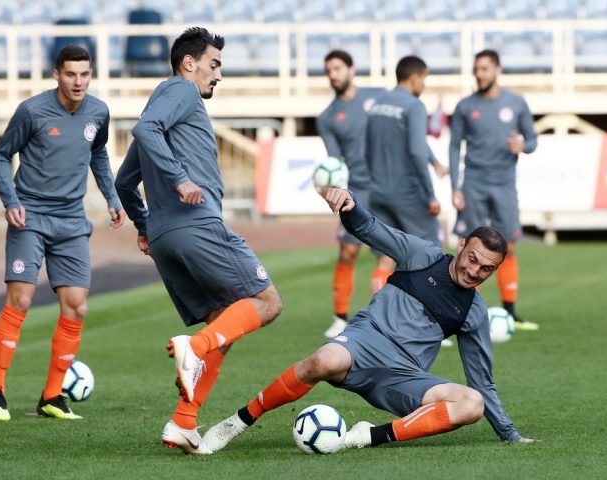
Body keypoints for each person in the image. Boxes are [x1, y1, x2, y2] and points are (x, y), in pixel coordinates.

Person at [199, 188, 535, 454]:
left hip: (404, 378)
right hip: (363, 343)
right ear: (461, 245)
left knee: (471, 404)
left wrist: (510, 434)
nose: (474, 271)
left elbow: (481, 381)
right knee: (322, 361)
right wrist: (350, 205)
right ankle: (238, 421)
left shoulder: (474, 312)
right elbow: (369, 228)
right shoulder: (421, 255)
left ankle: (366, 436)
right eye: (472, 259)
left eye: (486, 269)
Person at [114, 27, 283, 455]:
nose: (218, 75)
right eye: (214, 64)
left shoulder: (162, 107)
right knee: (267, 302)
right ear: (189, 63)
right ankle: (195, 348)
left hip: (165, 238)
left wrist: (144, 226)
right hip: (197, 225)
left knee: (224, 322)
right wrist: (180, 179)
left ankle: (183, 422)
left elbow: (124, 181)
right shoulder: (182, 91)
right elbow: (146, 129)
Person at [0, 45, 125, 421]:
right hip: (30, 217)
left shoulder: (98, 112)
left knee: (77, 306)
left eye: (84, 74)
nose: (78, 81)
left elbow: (98, 154)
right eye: (70, 74)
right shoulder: (32, 111)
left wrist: (112, 197)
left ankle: (52, 397)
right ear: (56, 74)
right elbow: (0, 156)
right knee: (21, 300)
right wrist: (11, 201)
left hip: (71, 220)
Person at [449, 49, 538, 330]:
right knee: (469, 249)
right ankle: (463, 311)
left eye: (484, 69)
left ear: (497, 70)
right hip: (473, 183)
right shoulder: (465, 106)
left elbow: (533, 140)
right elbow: (454, 146)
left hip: (504, 184)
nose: (479, 74)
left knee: (508, 246)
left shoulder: (516, 103)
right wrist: (455, 187)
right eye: (476, 69)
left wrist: (523, 146)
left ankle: (510, 312)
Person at [316, 50, 386, 338]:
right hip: (356, 190)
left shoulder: (378, 96)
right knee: (348, 251)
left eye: (337, 68)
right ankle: (340, 317)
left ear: (351, 69)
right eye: (328, 70)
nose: (333, 75)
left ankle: (387, 317)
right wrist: (329, 186)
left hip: (387, 186)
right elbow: (334, 162)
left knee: (389, 253)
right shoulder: (327, 117)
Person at [365, 55, 443, 294]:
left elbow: (367, 148)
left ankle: (379, 313)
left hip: (377, 192)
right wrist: (430, 195)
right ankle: (429, 315)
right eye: (424, 79)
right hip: (407, 193)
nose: (424, 85)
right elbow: (416, 150)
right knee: (431, 254)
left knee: (386, 256)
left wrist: (434, 161)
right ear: (414, 78)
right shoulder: (414, 105)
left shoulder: (377, 105)